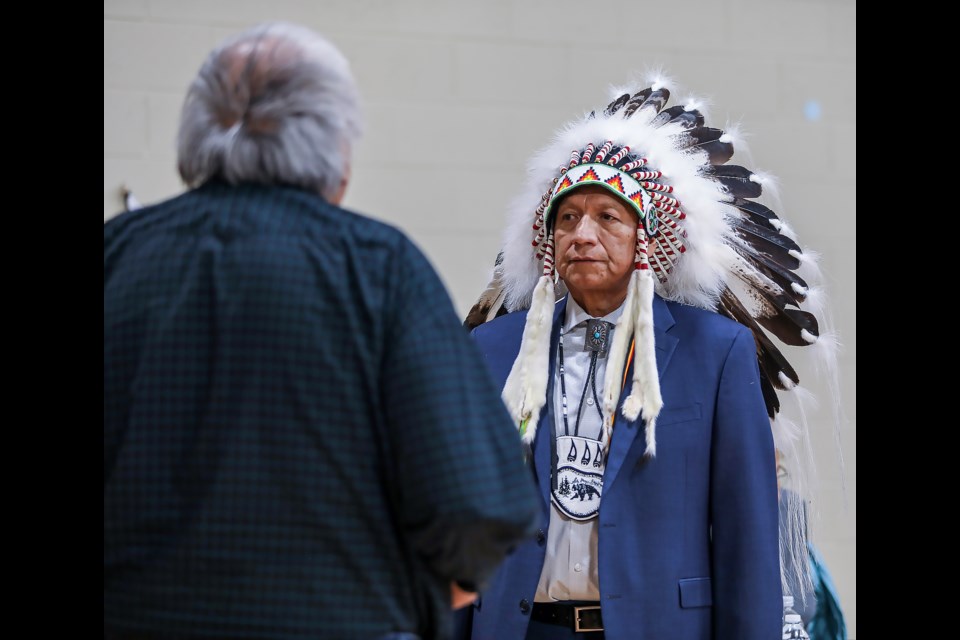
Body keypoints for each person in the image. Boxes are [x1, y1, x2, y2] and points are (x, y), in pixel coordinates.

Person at [104, 22, 540, 640]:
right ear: (336, 150)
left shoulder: (114, 258)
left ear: (195, 134)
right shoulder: (379, 270)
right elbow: (478, 504)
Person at [458, 75, 838, 639]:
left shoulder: (715, 353)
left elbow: (746, 538)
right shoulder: (493, 351)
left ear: (647, 238)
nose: (581, 234)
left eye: (607, 218)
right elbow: (458, 521)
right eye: (567, 218)